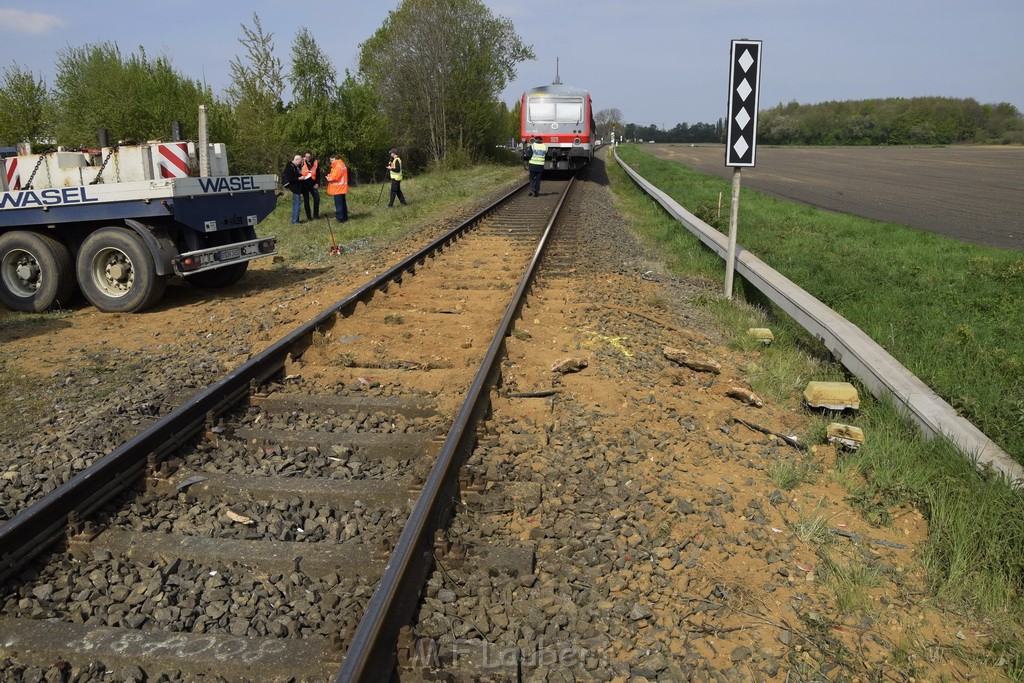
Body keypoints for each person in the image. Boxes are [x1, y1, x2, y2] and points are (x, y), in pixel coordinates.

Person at [281, 154, 304, 223]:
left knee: (297, 203)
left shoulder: (294, 166)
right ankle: (294, 221)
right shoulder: (290, 167)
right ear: (296, 160)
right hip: (294, 188)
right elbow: (290, 179)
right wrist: (299, 178)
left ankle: (296, 219)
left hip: (296, 187)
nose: (300, 163)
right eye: (300, 161)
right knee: (297, 203)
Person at [326, 153, 349, 222]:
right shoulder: (342, 164)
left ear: (336, 159)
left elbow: (334, 177)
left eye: (332, 160)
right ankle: (345, 217)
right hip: (342, 188)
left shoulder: (338, 166)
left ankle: (340, 219)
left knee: (338, 204)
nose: (331, 162)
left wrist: (328, 177)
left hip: (338, 188)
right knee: (343, 203)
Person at [300, 150, 321, 219]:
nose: (307, 158)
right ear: (304, 156)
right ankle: (309, 216)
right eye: (306, 156)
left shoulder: (316, 162)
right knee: (306, 200)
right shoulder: (301, 162)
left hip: (313, 183)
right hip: (304, 183)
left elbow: (318, 174)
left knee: (317, 199)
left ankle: (316, 215)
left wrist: (317, 183)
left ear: (311, 156)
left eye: (309, 156)